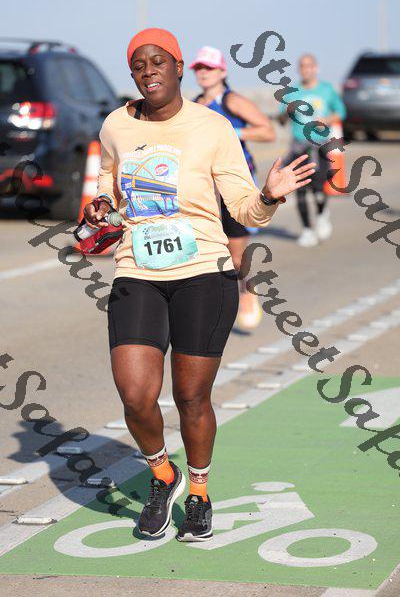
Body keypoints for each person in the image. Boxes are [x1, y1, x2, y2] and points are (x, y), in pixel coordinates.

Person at [84, 28, 315, 542]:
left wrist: (269, 196)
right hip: (137, 270)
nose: (149, 71)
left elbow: (244, 209)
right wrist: (100, 206)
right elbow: (106, 181)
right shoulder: (116, 125)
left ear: (179, 67)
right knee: (135, 395)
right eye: (139, 65)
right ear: (133, 74)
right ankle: (162, 474)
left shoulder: (212, 127)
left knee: (191, 396)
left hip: (204, 275)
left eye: (158, 61)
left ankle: (199, 492)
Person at [190, 45, 276, 331]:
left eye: (209, 67)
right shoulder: (194, 106)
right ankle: (210, 307)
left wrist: (232, 132)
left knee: (236, 255)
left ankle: (247, 291)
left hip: (234, 187)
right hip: (204, 189)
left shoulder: (232, 100)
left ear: (222, 71)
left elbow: (268, 131)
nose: (203, 72)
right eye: (199, 68)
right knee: (205, 252)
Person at [278, 53, 346, 247]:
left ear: (316, 68)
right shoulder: (292, 92)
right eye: (302, 66)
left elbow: (341, 111)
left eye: (309, 66)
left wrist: (327, 120)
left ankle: (322, 213)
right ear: (299, 69)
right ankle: (307, 229)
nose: (306, 69)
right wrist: (287, 112)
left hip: (320, 144)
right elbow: (281, 119)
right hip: (299, 145)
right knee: (299, 188)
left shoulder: (326, 89)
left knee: (318, 186)